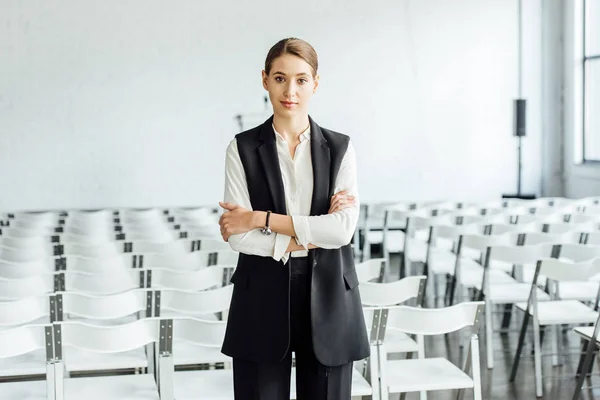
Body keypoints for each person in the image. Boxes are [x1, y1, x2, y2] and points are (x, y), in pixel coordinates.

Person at [218, 37, 370, 400]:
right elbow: (238, 237)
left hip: (331, 295)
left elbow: (342, 231)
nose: (291, 90)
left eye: (302, 79)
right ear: (265, 80)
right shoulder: (241, 148)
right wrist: (312, 233)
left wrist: (260, 218)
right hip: (261, 296)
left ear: (315, 83)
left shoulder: (340, 148)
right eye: (281, 78)